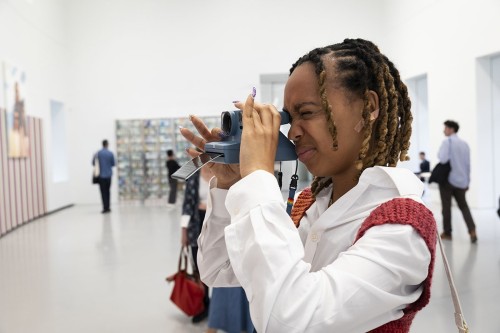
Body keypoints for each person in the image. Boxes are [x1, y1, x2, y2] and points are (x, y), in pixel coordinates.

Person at [180, 38, 437, 332]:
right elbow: (219, 270)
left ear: (368, 107)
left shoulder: (403, 229)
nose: (293, 132)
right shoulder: (309, 202)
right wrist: (230, 185)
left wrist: (257, 179)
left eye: (307, 112)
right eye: (289, 118)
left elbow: (290, 319)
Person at [180, 166, 212, 323]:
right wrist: (183, 231)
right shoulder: (194, 176)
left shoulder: (222, 170)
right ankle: (204, 303)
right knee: (199, 266)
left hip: (216, 225)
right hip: (196, 223)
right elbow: (187, 204)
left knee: (217, 265)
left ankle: (220, 305)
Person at [437, 120, 477, 243]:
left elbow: (442, 159)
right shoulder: (465, 144)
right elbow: (467, 165)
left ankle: (448, 233)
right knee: (464, 206)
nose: (444, 130)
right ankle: (472, 231)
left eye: (445, 128)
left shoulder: (447, 142)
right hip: (462, 181)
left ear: (451, 129)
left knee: (446, 207)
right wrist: (467, 182)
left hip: (448, 180)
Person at [93, 139, 115, 213]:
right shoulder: (110, 153)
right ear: (107, 144)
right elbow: (113, 164)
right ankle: (108, 207)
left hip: (101, 176)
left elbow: (93, 163)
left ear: (102, 144)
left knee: (103, 192)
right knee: (108, 191)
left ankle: (104, 207)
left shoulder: (98, 153)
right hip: (109, 175)